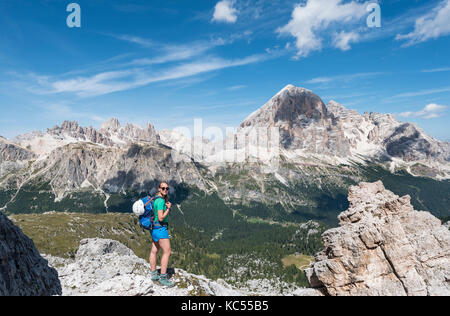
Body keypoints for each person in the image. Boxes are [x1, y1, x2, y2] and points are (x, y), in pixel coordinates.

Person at [149, 182, 174, 287]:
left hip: (154, 228)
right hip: (160, 228)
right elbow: (160, 217)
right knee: (167, 252)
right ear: (159, 189)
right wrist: (168, 209)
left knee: (154, 250)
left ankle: (154, 274)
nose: (165, 190)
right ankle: (163, 278)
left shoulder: (156, 199)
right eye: (163, 188)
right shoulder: (160, 201)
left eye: (167, 188)